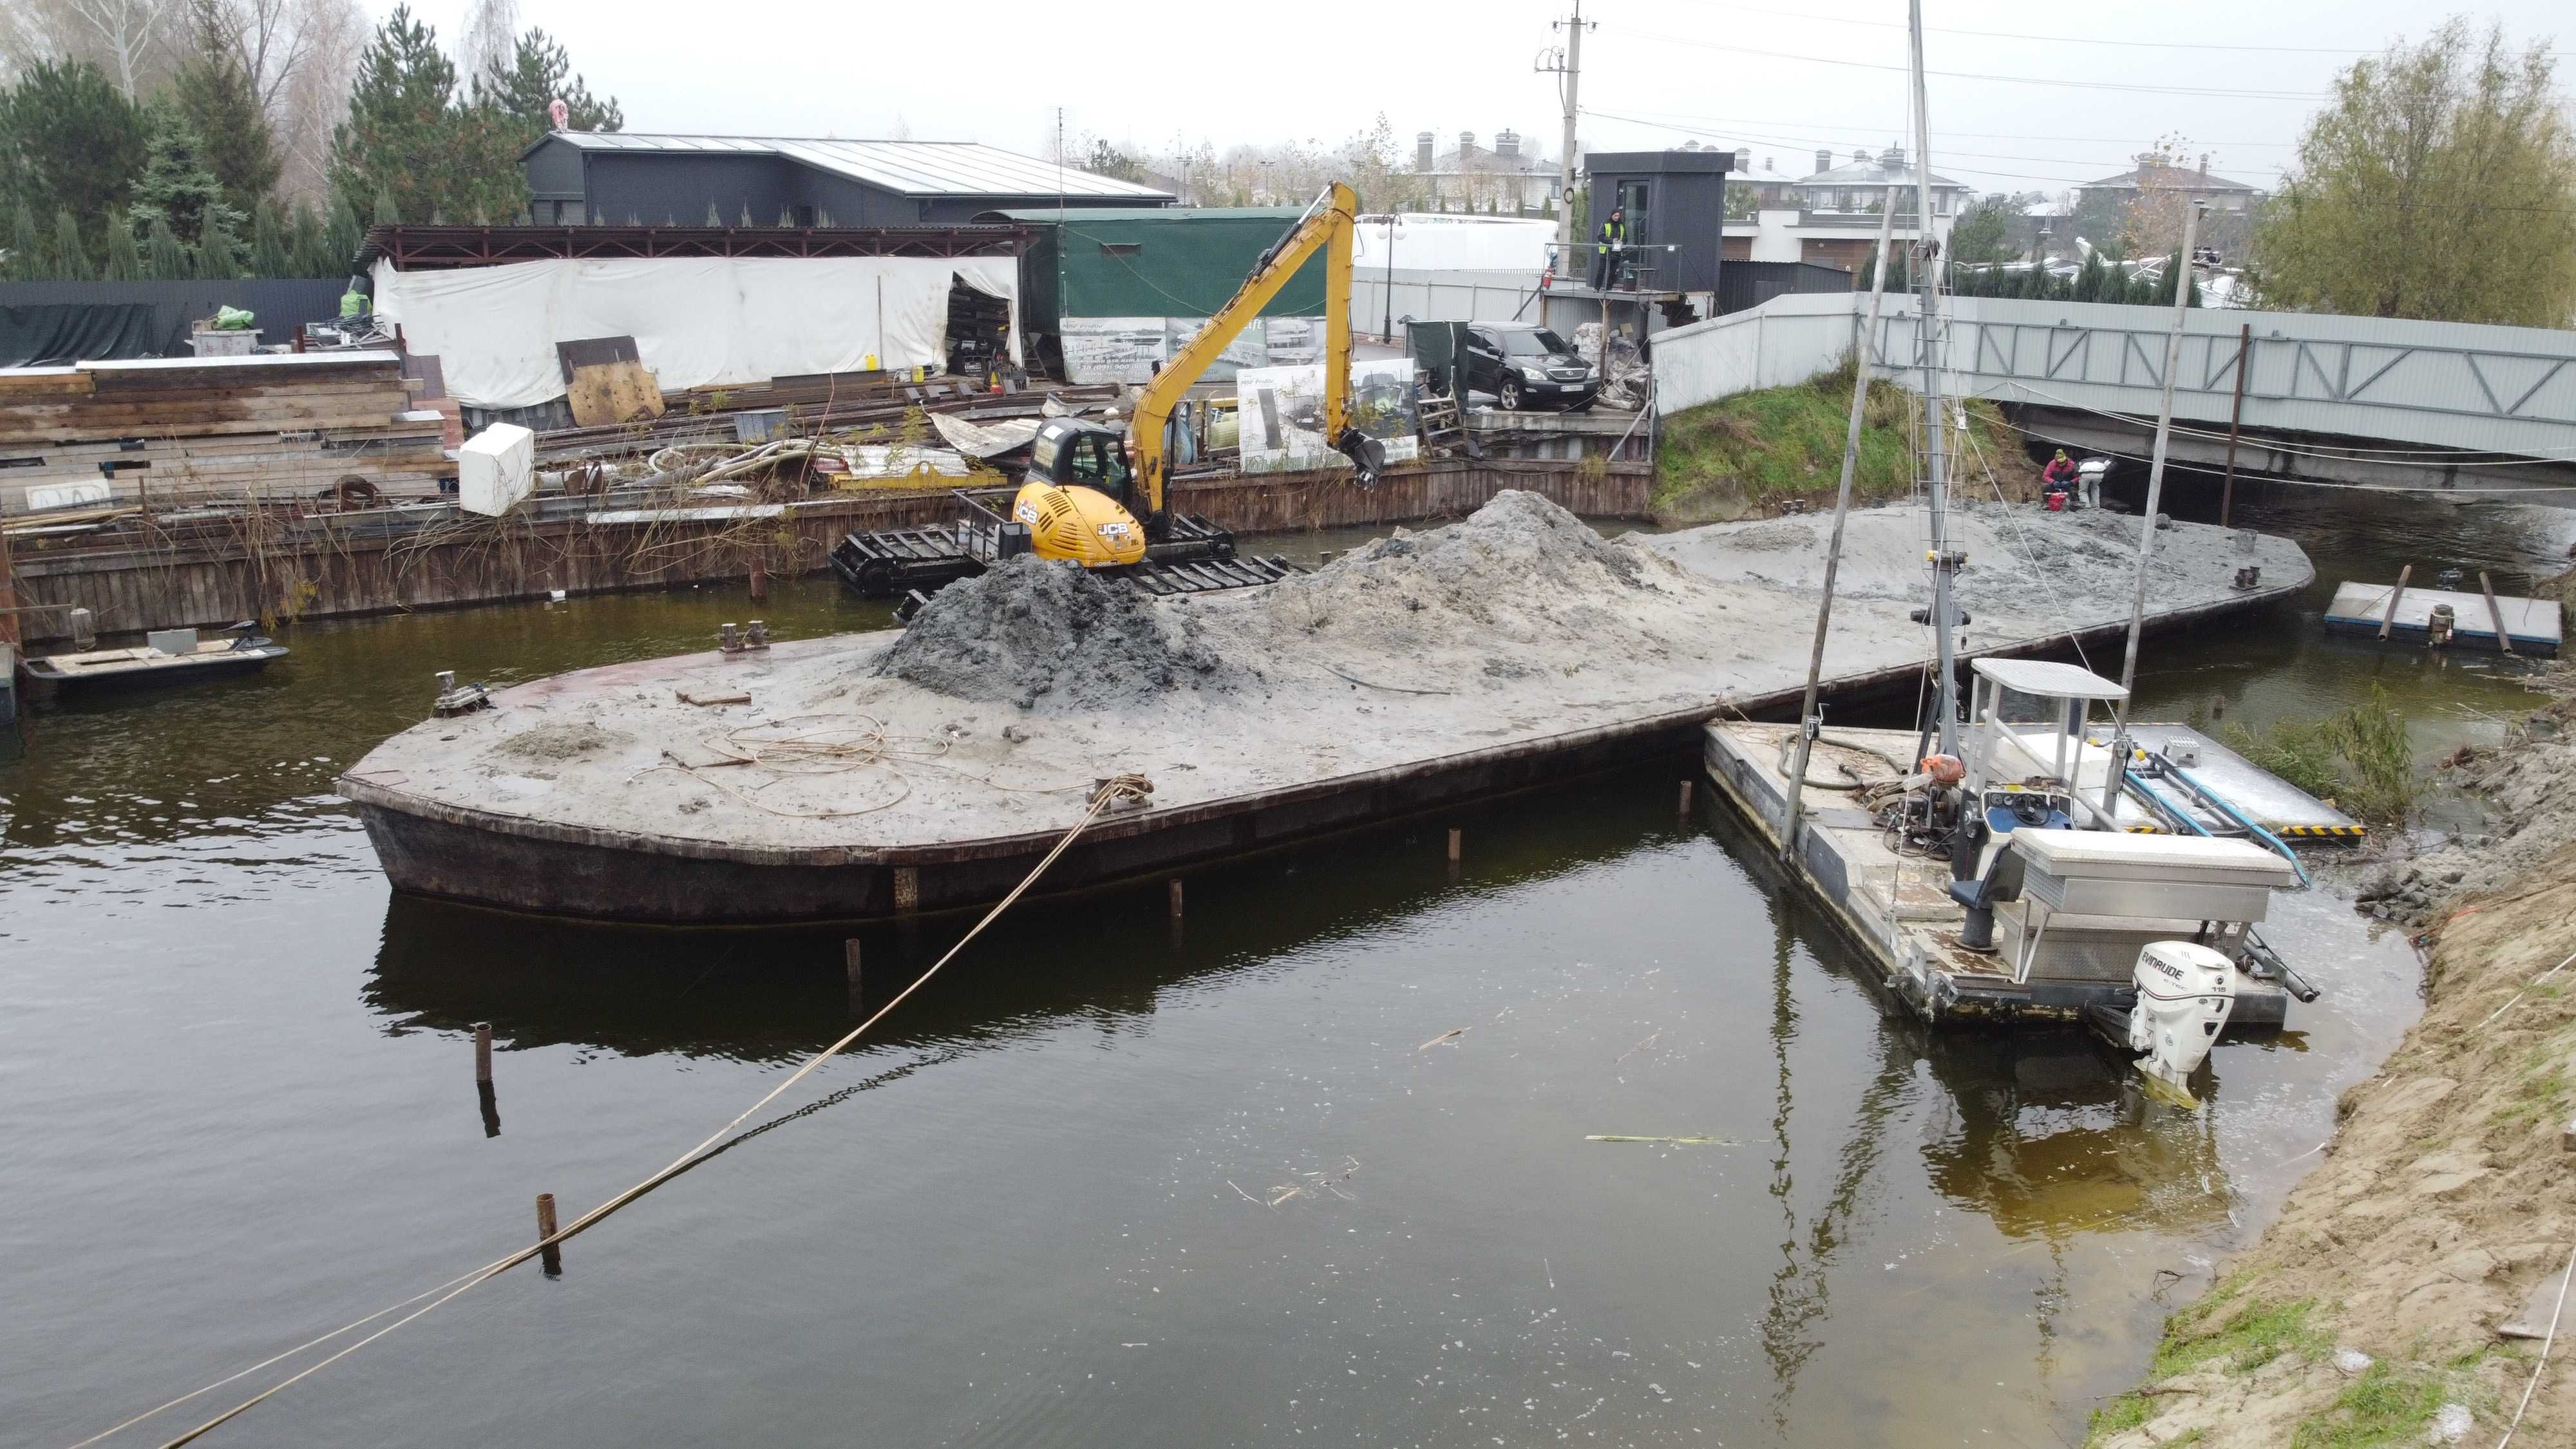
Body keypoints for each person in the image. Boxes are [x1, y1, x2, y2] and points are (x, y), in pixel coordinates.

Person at [1590, 205, 1626, 290]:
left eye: (1618, 216)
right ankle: (1597, 288)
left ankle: (1609, 289)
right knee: (1601, 270)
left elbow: (1625, 237)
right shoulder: (1606, 224)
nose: (1617, 218)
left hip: (1616, 251)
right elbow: (1600, 236)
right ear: (1612, 215)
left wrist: (1622, 242)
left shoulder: (1621, 225)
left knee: (1613, 272)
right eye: (1615, 216)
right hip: (1605, 251)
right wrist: (1612, 241)